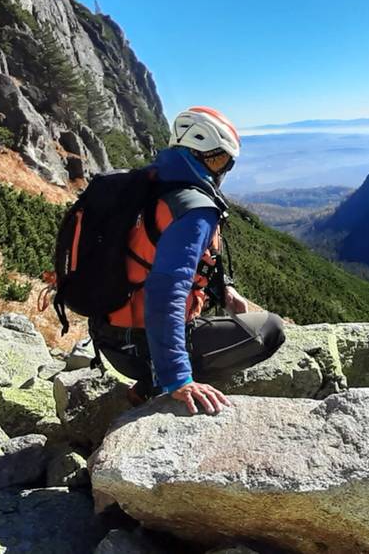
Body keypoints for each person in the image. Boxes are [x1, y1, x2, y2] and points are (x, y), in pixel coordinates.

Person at [91, 107, 286, 415]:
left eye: (225, 162)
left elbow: (155, 253)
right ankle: (153, 386)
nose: (222, 171)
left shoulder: (150, 182)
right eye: (219, 160)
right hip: (140, 349)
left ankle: (155, 376)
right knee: (271, 329)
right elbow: (165, 291)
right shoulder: (193, 209)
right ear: (201, 157)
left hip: (108, 334)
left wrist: (226, 290)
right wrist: (177, 378)